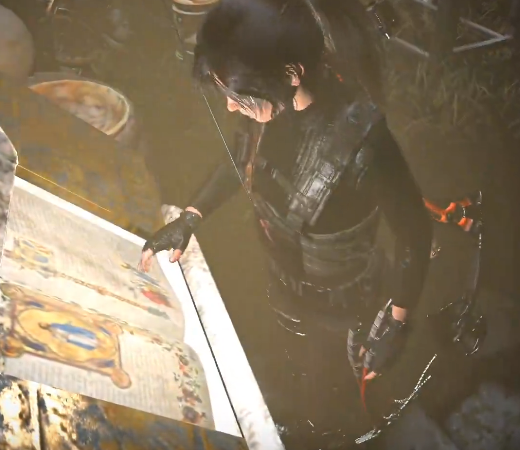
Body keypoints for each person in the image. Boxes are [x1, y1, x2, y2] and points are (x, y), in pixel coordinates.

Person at [139, 0, 481, 446]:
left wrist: (397, 325)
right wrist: (190, 217)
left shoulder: (364, 143)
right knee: (291, 368)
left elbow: (414, 233)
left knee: (329, 400)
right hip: (282, 284)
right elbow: (239, 158)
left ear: (291, 73)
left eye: (238, 95)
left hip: (343, 305)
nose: (230, 107)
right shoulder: (268, 109)